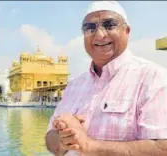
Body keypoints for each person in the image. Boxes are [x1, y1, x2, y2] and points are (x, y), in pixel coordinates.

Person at [45, 1, 167, 156]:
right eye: (90, 28)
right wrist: (64, 138)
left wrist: (89, 146)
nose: (100, 34)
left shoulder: (152, 78)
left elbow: (162, 148)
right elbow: (50, 139)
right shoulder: (74, 85)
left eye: (109, 25)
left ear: (126, 31)